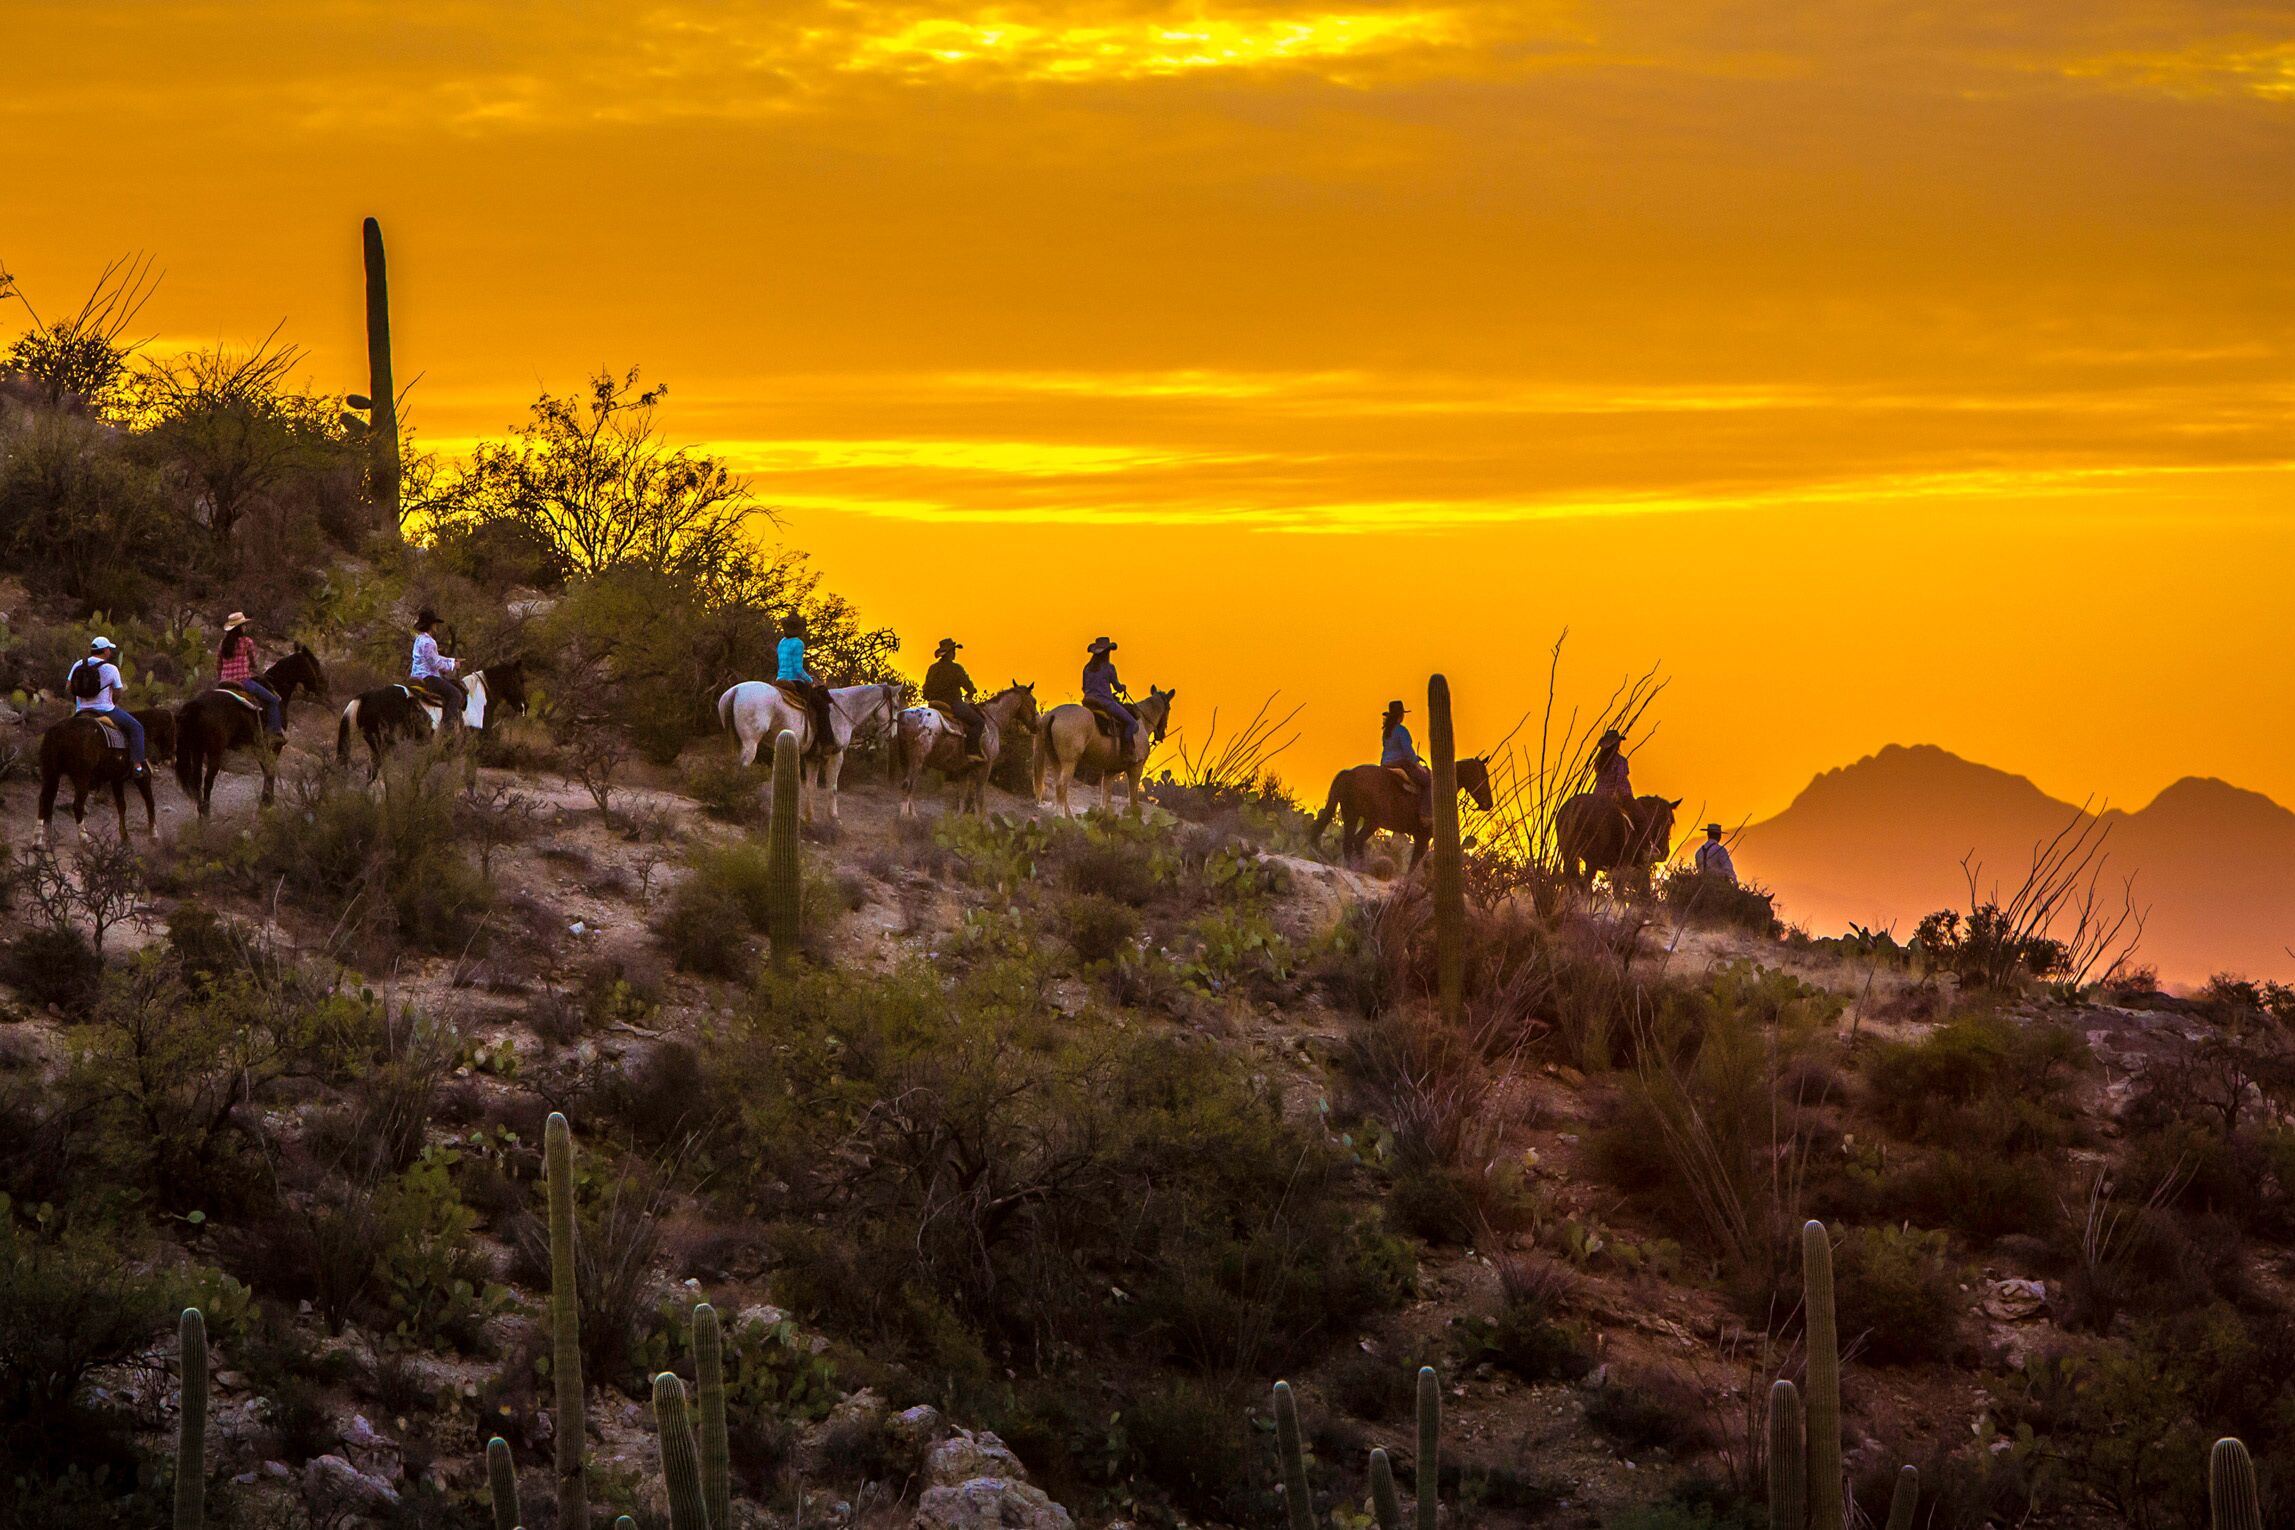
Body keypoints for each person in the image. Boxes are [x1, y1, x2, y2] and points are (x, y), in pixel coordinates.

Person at [66, 636, 146, 778]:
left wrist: (81, 701)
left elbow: (68, 687)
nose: (110, 652)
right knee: (137, 728)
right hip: (105, 710)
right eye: (109, 649)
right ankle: (137, 767)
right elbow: (118, 691)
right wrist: (112, 703)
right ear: (105, 651)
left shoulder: (78, 664)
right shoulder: (111, 669)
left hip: (81, 710)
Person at [216, 611, 286, 741]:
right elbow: (253, 663)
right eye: (243, 625)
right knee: (273, 701)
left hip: (224, 682)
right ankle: (275, 733)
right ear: (240, 627)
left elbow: (218, 666)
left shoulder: (222, 644)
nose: (245, 627)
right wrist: (252, 668)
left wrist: (221, 678)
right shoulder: (247, 642)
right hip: (242, 681)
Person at [776, 612, 836, 753]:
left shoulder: (782, 642)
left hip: (780, 680)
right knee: (822, 707)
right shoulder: (798, 643)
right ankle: (826, 743)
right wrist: (810, 681)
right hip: (794, 681)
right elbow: (798, 669)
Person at [922, 638, 987, 762]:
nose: (955, 653)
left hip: (934, 705)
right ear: (949, 653)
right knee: (979, 722)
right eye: (953, 651)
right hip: (953, 704)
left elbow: (925, 690)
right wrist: (971, 691)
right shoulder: (956, 668)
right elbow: (968, 686)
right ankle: (971, 752)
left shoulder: (932, 668)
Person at [1081, 637, 1137, 755]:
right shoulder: (1109, 667)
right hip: (1105, 703)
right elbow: (1117, 687)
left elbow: (1084, 688)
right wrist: (1122, 688)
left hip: (1087, 701)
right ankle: (1127, 752)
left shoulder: (1087, 668)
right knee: (1131, 723)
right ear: (1107, 652)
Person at [410, 608, 468, 720]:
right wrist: (453, 666)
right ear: (431, 625)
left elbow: (434, 658)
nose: (436, 626)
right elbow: (435, 663)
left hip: (416, 675)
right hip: (428, 677)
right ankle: (447, 725)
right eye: (434, 624)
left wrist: (452, 660)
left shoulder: (419, 639)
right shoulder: (429, 642)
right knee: (456, 694)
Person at [1380, 699, 1432, 820]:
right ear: (1400, 716)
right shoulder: (1401, 730)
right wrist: (1415, 762)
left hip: (1386, 763)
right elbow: (1407, 750)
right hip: (1401, 763)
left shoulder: (1387, 732)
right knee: (1429, 781)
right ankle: (1425, 814)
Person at [1592, 727, 1633, 801]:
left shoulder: (1599, 760)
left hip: (1598, 794)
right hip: (1619, 795)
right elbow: (1620, 779)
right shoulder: (1621, 761)